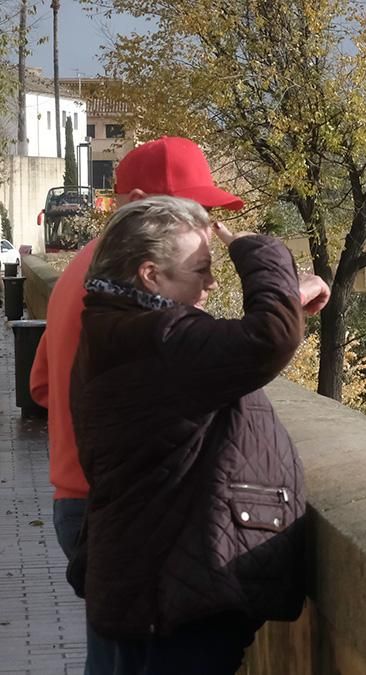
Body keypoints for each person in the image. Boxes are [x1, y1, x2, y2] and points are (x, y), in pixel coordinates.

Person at [70, 195, 328, 673]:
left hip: (156, 575)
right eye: (200, 269)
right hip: (173, 590)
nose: (211, 283)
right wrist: (257, 251)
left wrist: (285, 297)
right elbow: (268, 337)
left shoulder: (120, 328)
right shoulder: (153, 339)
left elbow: (218, 355)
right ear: (151, 275)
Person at [30, 136, 248, 673]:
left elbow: (40, 386)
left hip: (80, 498)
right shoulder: (115, 294)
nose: (202, 225)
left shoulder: (84, 276)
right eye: (188, 210)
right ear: (138, 203)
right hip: (116, 507)